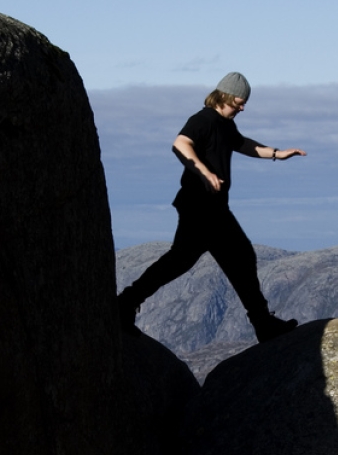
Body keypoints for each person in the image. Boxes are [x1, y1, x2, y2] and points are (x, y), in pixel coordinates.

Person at [118, 71, 307, 342]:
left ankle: (262, 322)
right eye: (240, 102)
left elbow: (244, 144)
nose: (242, 108)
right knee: (199, 260)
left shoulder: (225, 125)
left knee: (224, 258)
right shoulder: (204, 119)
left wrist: (278, 154)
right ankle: (126, 301)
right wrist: (204, 172)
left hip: (213, 208)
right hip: (199, 207)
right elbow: (180, 143)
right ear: (225, 96)